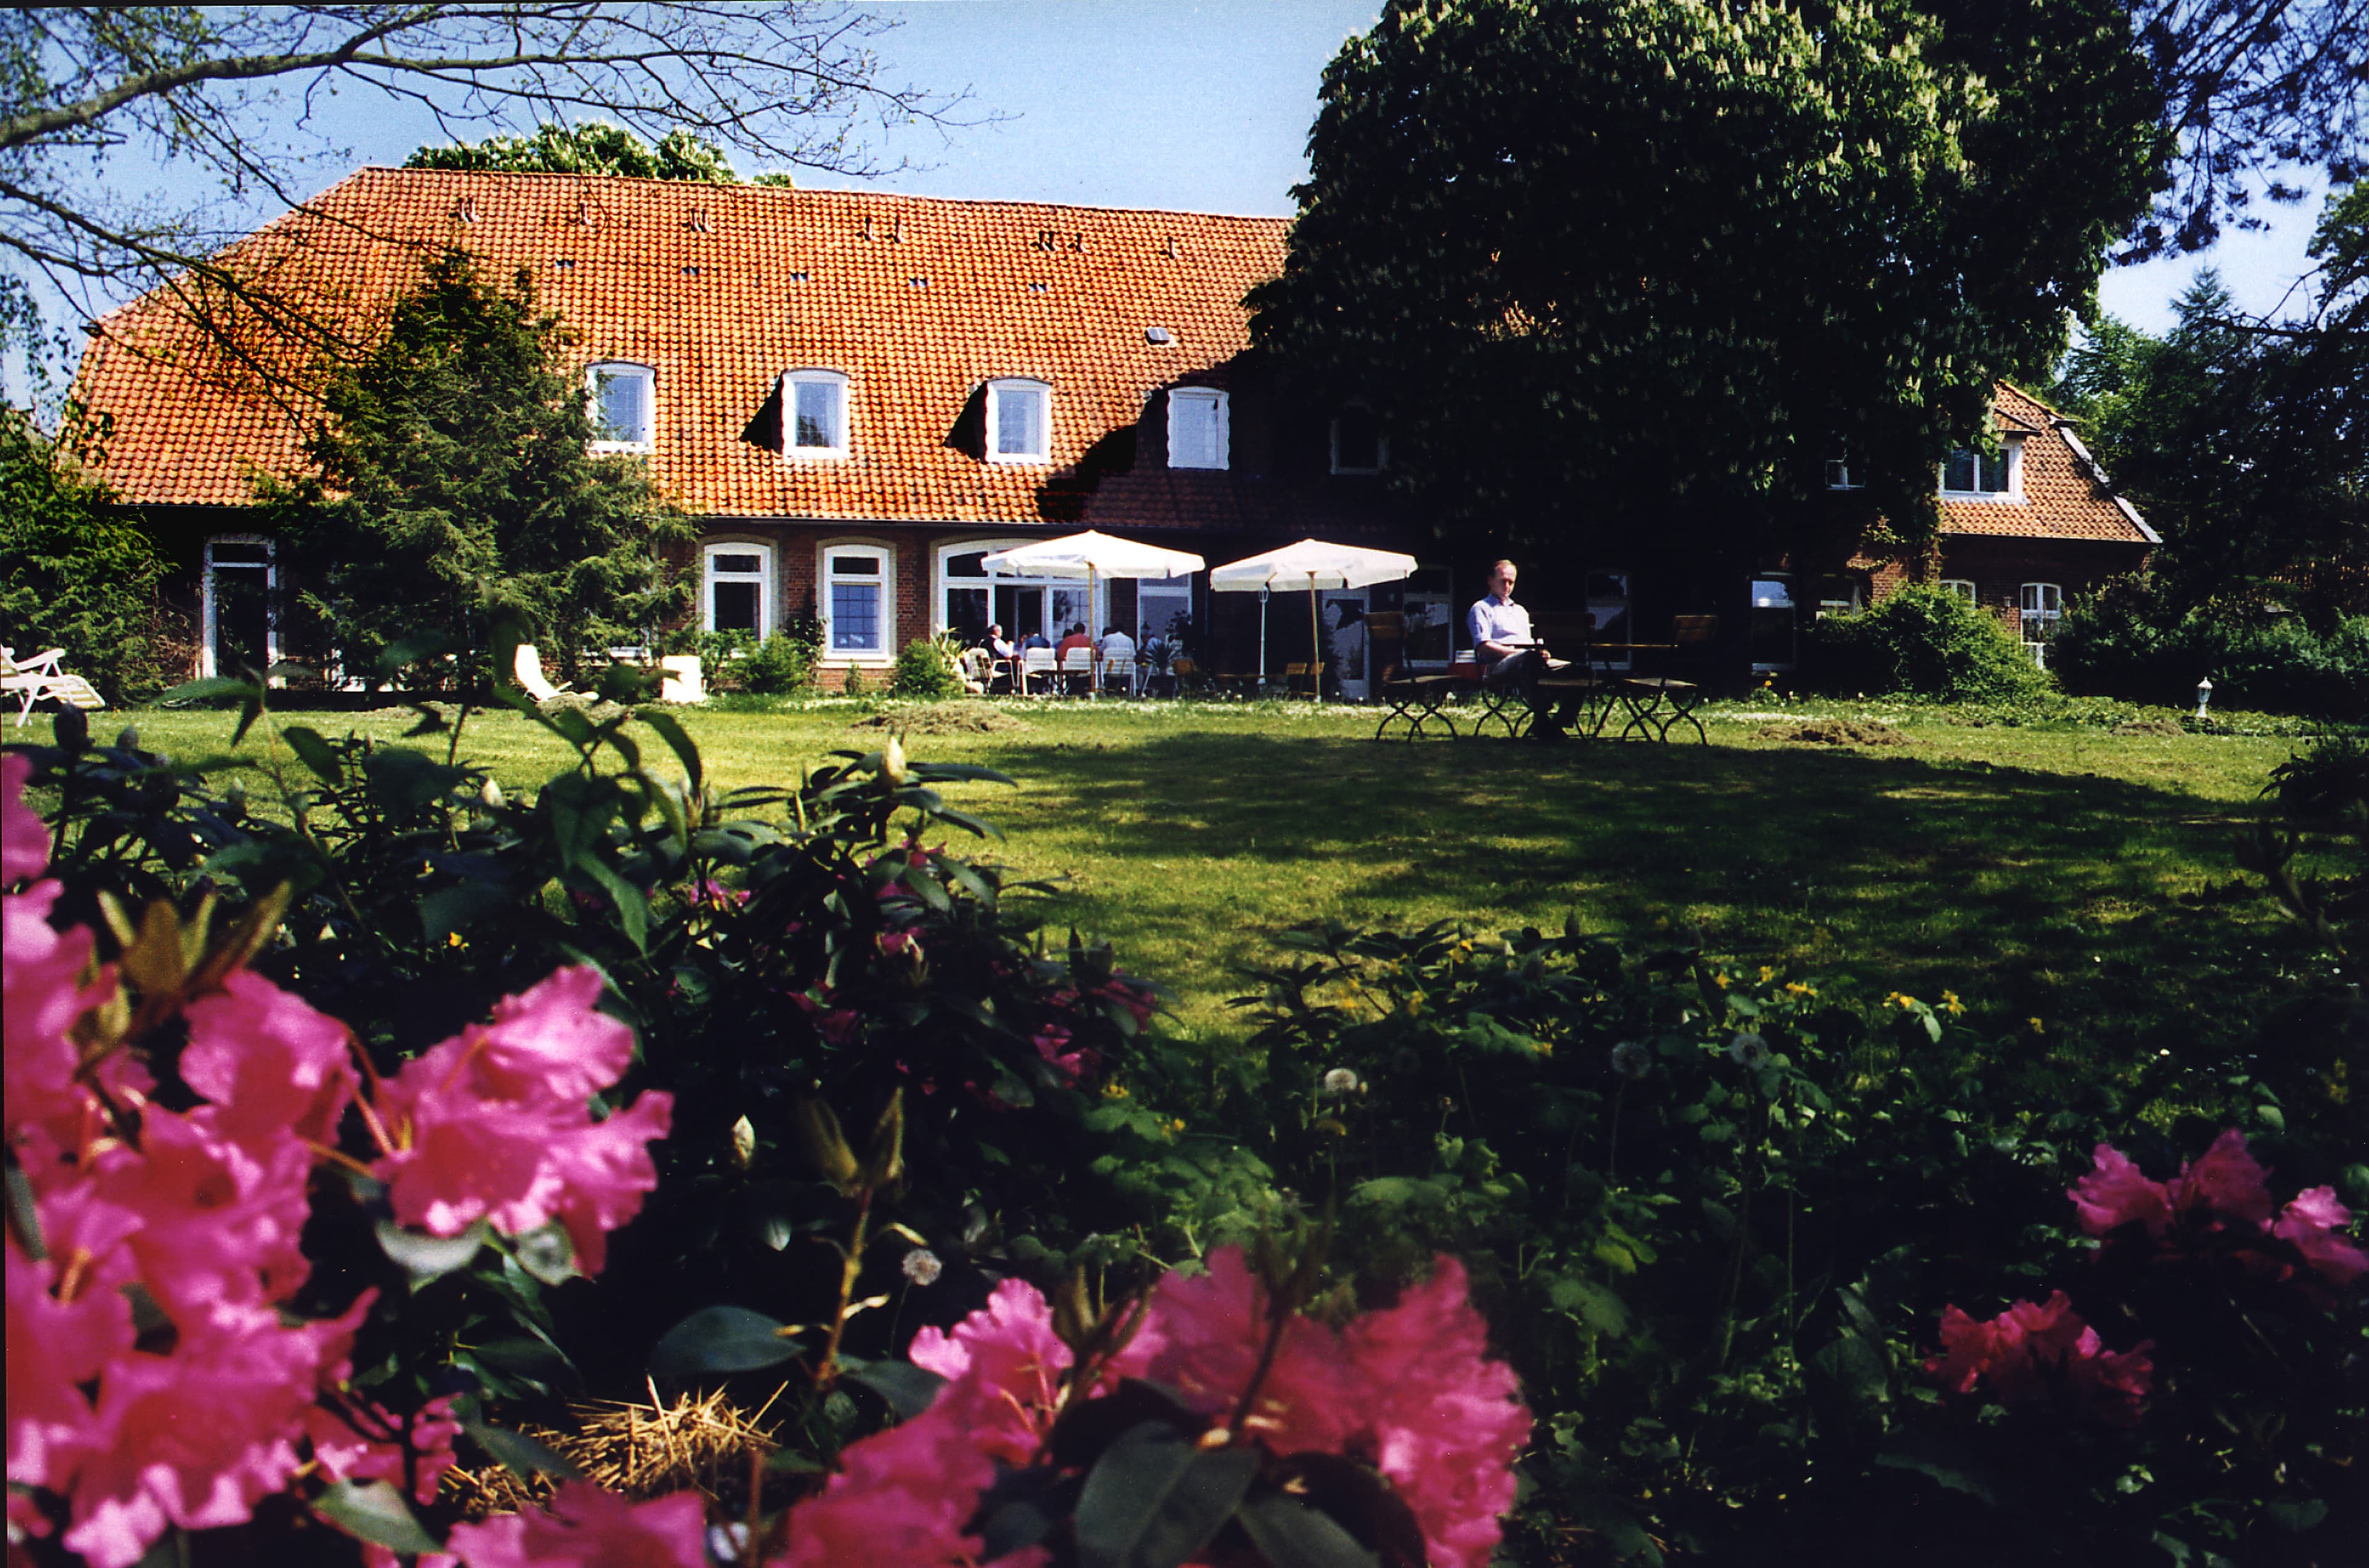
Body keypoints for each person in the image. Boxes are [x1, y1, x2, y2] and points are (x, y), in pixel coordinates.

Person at [1467, 559, 1571, 738]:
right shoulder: (1481, 608)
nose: (1507, 586)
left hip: (1530, 660)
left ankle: (1556, 723)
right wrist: (1519, 653)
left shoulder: (1521, 611)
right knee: (1528, 659)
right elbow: (1483, 646)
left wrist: (1541, 651)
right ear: (1490, 581)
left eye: (1511, 582)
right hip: (1499, 664)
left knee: (1578, 671)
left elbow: (1532, 643)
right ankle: (1543, 718)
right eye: (1503, 581)